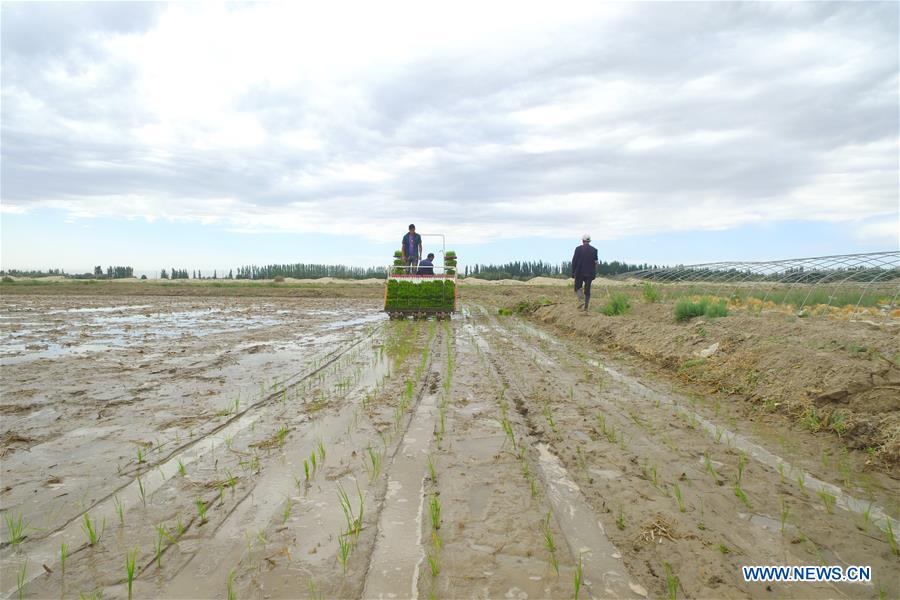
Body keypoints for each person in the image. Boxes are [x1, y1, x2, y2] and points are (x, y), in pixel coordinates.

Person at [572, 233, 598, 310]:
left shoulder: (578, 249)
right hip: (590, 273)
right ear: (589, 241)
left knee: (577, 287)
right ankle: (586, 307)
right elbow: (596, 262)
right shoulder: (594, 250)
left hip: (579, 272)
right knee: (587, 290)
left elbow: (574, 261)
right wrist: (595, 272)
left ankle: (581, 301)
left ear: (582, 240)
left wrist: (573, 272)